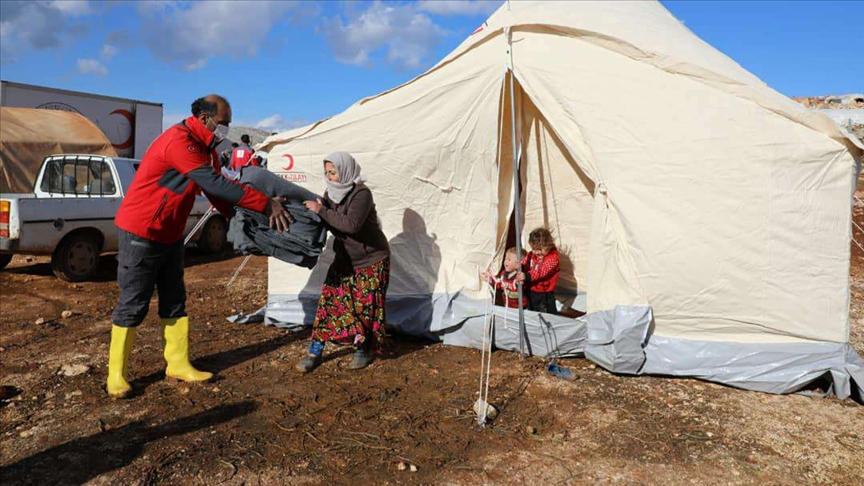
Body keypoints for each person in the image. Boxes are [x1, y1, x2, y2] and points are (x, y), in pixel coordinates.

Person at [106, 95, 292, 399]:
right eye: (223, 123)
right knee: (133, 301)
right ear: (205, 118)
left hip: (170, 233)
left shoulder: (205, 149)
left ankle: (177, 363)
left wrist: (243, 215)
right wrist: (265, 204)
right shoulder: (180, 143)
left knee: (175, 298)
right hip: (142, 230)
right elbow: (216, 184)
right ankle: (116, 374)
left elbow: (214, 189)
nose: (226, 130)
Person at [298, 152, 390, 373]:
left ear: (346, 171)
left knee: (364, 309)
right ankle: (315, 351)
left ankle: (362, 350)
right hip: (345, 259)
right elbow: (331, 224)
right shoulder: (330, 195)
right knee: (328, 303)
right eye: (327, 173)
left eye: (333, 172)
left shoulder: (361, 194)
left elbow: (351, 225)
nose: (329, 177)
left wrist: (322, 210)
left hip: (371, 260)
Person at [518, 228, 561, 314]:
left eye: (540, 249)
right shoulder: (531, 255)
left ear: (548, 245)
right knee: (532, 311)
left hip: (544, 293)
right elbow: (525, 263)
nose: (536, 252)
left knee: (546, 314)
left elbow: (541, 272)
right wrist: (519, 267)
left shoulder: (553, 258)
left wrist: (527, 276)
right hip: (532, 290)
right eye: (534, 249)